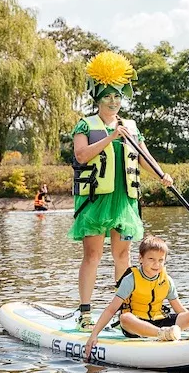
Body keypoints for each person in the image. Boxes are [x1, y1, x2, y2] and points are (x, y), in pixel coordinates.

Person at [70, 51, 173, 331]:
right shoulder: (86, 125)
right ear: (98, 99)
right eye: (108, 96)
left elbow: (144, 158)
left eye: (117, 97)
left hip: (124, 201)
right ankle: (85, 313)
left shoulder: (131, 127)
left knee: (122, 256)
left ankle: (123, 314)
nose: (114, 102)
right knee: (92, 255)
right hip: (95, 200)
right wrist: (111, 137)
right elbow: (81, 156)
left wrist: (162, 175)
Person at [84, 236, 189, 356]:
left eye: (160, 260)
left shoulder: (167, 280)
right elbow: (111, 310)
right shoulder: (130, 280)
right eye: (151, 259)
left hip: (160, 321)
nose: (156, 264)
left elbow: (179, 310)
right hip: (137, 326)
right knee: (125, 318)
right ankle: (162, 334)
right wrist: (94, 335)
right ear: (141, 259)